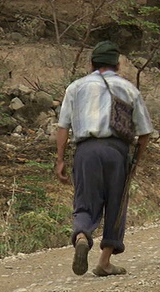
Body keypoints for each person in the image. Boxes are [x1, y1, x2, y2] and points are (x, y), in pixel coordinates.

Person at [54, 40, 153, 277]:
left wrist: (60, 160)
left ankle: (81, 235)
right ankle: (104, 262)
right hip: (117, 151)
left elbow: (63, 128)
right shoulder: (129, 89)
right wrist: (136, 161)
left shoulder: (75, 87)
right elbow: (144, 133)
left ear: (91, 64)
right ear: (118, 65)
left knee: (85, 201)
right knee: (116, 205)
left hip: (86, 151)